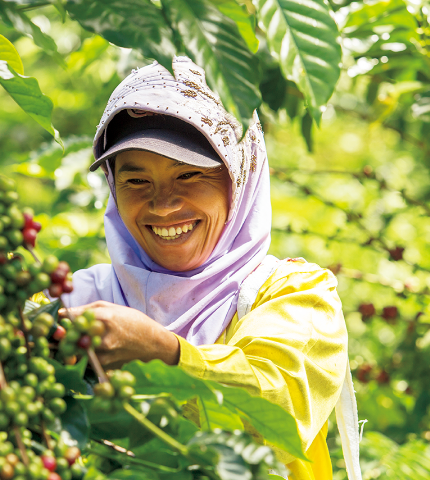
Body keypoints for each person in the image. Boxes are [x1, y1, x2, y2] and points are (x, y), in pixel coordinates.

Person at [59, 57, 362, 480]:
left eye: (189, 175)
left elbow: (278, 409)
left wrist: (165, 353)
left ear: (241, 177)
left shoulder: (296, 295)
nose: (163, 204)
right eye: (136, 181)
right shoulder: (78, 299)